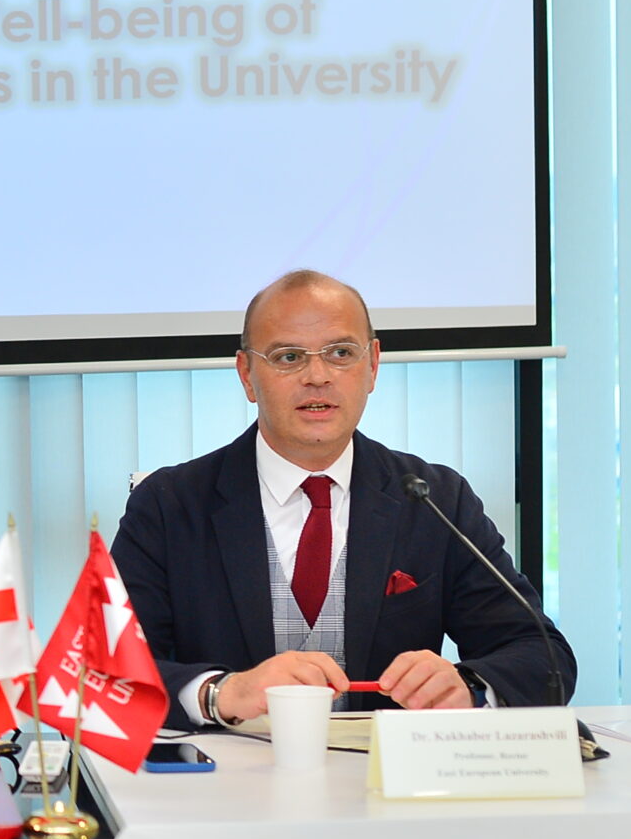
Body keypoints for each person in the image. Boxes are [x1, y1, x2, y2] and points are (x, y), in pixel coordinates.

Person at [111, 270, 572, 724]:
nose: (318, 376)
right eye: (289, 357)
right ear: (247, 375)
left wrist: (468, 687)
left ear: (372, 365)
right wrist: (220, 693)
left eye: (341, 353)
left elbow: (541, 655)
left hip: (384, 768)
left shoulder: (433, 499)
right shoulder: (169, 505)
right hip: (227, 766)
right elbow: (109, 672)